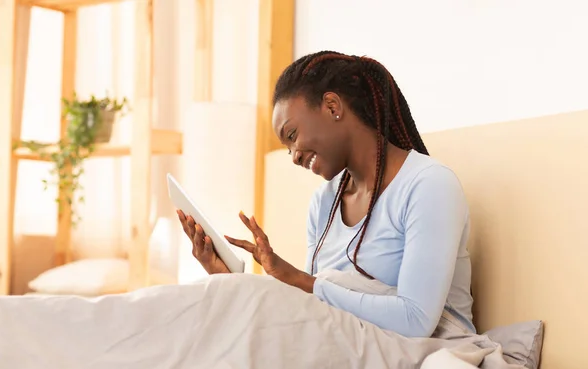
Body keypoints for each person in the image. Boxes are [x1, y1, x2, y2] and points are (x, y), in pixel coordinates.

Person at [176, 50, 475, 338]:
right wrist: (228, 280)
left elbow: (416, 320)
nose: (293, 156)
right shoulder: (324, 203)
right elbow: (310, 310)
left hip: (424, 349)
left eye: (292, 136)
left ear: (332, 107)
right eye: (287, 148)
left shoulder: (429, 185)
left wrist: (298, 279)